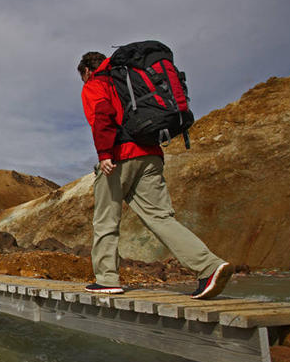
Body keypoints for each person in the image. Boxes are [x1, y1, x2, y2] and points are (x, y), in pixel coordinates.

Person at [77, 50, 233, 298]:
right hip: (151, 155)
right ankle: (209, 267)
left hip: (120, 156)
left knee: (106, 220)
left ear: (86, 71)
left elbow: (101, 115)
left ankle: (107, 279)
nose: (83, 82)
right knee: (161, 217)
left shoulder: (96, 83)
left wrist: (104, 154)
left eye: (82, 77)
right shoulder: (129, 79)